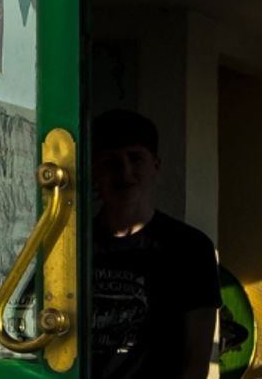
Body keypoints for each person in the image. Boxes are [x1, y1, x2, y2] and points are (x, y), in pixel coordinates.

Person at [90, 109, 220, 379]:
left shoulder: (190, 249)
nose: (125, 172)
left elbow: (196, 361)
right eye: (110, 162)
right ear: (94, 171)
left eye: (135, 158)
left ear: (156, 165)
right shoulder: (71, 246)